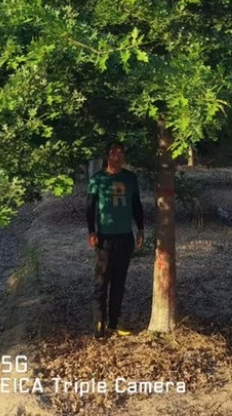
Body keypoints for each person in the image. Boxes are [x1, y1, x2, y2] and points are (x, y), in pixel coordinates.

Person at [86, 140, 144, 339]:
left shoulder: (130, 178)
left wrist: (141, 229)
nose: (117, 157)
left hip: (124, 237)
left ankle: (114, 322)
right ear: (107, 156)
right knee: (101, 281)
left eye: (121, 153)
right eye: (113, 153)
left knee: (119, 282)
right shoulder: (97, 179)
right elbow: (90, 207)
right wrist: (91, 231)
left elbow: (136, 205)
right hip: (105, 238)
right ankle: (99, 323)